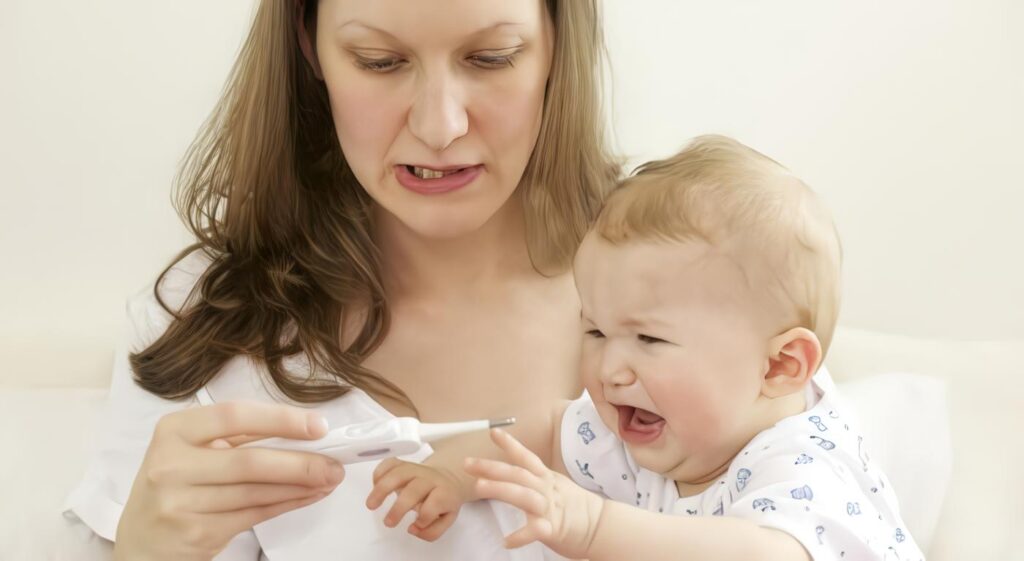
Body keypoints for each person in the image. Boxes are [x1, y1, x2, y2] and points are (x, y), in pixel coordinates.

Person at [58, 0, 617, 559]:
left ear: (557, 47)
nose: (439, 126)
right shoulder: (202, 327)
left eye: (492, 58)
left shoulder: (688, 274)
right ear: (308, 44)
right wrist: (145, 551)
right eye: (379, 61)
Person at [460, 136, 926, 560]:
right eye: (596, 333)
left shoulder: (802, 467)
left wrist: (593, 526)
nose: (610, 370)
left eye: (650, 339)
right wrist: (449, 474)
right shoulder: (659, 426)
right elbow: (548, 429)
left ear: (779, 366)